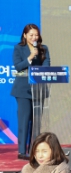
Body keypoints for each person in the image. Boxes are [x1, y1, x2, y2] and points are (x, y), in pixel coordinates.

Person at [12, 24, 50, 160]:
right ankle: (22, 151)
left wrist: (39, 67)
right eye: (31, 35)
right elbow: (18, 66)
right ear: (25, 35)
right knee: (24, 120)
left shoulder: (43, 48)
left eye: (36, 35)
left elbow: (46, 66)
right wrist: (30, 57)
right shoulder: (18, 48)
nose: (34, 37)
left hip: (38, 89)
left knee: (36, 122)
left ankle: (35, 149)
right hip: (23, 90)